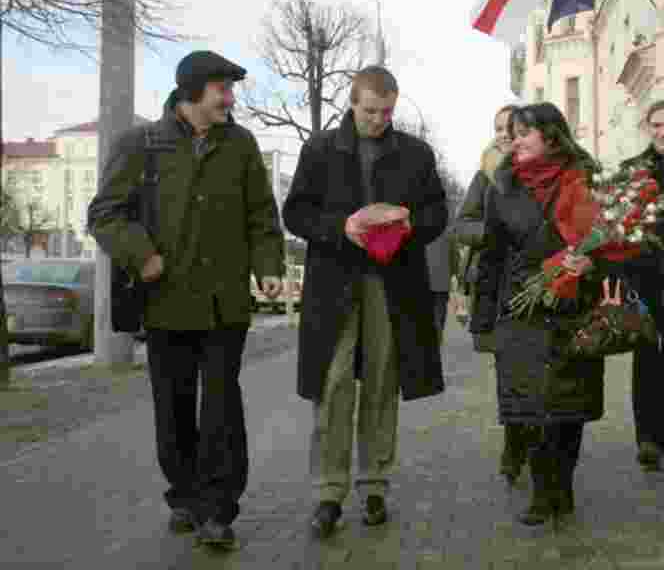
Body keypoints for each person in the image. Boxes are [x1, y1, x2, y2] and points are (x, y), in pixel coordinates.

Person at [87, 50, 285, 548]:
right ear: (193, 91)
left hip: (224, 308)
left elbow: (261, 215)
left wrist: (268, 268)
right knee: (173, 408)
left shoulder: (240, 145)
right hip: (166, 304)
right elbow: (105, 213)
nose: (230, 98)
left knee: (221, 409)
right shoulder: (141, 144)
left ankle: (218, 509)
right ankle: (184, 493)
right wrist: (142, 253)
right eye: (223, 89)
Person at [282, 66, 448, 538]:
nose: (378, 119)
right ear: (352, 103)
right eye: (370, 110)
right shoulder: (318, 148)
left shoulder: (416, 153)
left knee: (381, 380)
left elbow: (438, 212)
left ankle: (374, 484)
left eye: (387, 111)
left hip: (392, 284)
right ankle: (329, 492)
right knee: (333, 383)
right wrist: (342, 226)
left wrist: (409, 220)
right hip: (334, 284)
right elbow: (295, 212)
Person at [472, 102, 607, 527]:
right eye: (512, 133)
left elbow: (611, 243)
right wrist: (483, 319)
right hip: (520, 304)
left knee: (569, 406)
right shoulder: (503, 184)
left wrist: (592, 265)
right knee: (529, 406)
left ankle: (562, 485)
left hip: (573, 304)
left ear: (550, 135)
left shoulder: (584, 177)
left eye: (523, 132)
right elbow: (491, 255)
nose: (515, 140)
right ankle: (541, 490)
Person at [450, 104, 541, 483]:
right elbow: (462, 225)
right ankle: (514, 440)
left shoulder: (542, 173)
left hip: (538, 284)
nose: (505, 133)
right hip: (495, 284)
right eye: (499, 127)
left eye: (512, 127)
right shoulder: (485, 175)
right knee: (508, 371)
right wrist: (491, 230)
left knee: (535, 371)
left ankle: (533, 442)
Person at [620, 100, 664, 471]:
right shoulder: (635, 170)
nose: (662, 132)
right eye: (656, 125)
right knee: (648, 354)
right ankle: (647, 436)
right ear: (648, 127)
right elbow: (621, 225)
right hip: (644, 273)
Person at [426, 231, 458, 343]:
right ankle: (438, 335)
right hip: (442, 278)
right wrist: (453, 272)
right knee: (440, 309)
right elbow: (455, 257)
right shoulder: (448, 234)